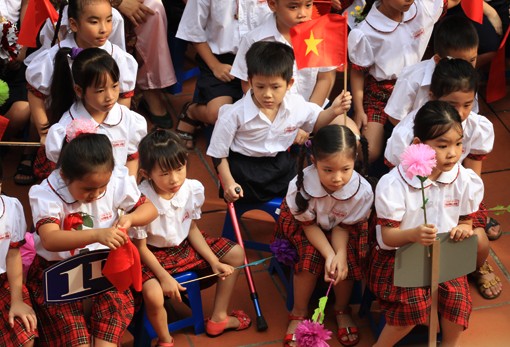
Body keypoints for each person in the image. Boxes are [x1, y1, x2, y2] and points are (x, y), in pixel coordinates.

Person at [26, 130, 158, 347]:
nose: (96, 194)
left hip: (106, 271)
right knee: (76, 342)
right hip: (59, 274)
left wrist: (131, 219)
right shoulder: (47, 192)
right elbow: (49, 239)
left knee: (107, 339)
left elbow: (150, 209)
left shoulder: (116, 179)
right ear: (65, 176)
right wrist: (96, 234)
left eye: (102, 187)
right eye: (87, 189)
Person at [385, 58, 502, 299]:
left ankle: (477, 267)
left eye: (468, 104)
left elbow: (471, 175)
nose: (460, 113)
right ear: (431, 96)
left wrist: (467, 217)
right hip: (418, 197)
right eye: (451, 104)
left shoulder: (478, 127)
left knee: (478, 240)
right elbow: (402, 182)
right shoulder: (408, 132)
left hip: (457, 192)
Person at [370, 100, 484, 347]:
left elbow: (467, 218)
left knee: (457, 300)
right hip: (401, 259)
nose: (453, 153)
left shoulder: (464, 179)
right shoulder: (395, 184)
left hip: (444, 256)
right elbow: (388, 236)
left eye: (458, 143)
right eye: (442, 146)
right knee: (413, 308)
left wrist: (464, 228)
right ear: (418, 145)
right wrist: (413, 235)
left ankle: (449, 344)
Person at [130, 129, 249, 347]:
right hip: (153, 256)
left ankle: (219, 317)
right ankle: (165, 340)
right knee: (153, 293)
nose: (174, 179)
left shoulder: (191, 189)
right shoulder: (140, 200)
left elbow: (191, 228)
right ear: (147, 173)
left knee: (236, 253)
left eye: (179, 169)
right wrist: (164, 277)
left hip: (184, 246)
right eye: (164, 174)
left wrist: (214, 261)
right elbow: (140, 247)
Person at [207, 41, 352, 203]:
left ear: (289, 83)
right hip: (245, 169)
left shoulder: (296, 104)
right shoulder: (233, 114)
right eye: (260, 87)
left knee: (302, 197)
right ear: (250, 81)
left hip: (280, 166)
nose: (267, 94)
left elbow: (316, 122)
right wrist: (229, 183)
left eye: (275, 87)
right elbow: (218, 153)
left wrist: (333, 111)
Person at [274, 124, 373, 347]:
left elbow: (343, 227)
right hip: (307, 228)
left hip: (343, 230)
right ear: (313, 161)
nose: (337, 178)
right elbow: (308, 226)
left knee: (344, 266)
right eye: (328, 170)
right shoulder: (300, 186)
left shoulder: (362, 191)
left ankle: (341, 309)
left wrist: (338, 255)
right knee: (308, 263)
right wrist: (328, 254)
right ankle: (298, 312)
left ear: (354, 160)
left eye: (345, 169)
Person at [25, 0, 138, 146]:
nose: (104, 29)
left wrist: (117, 127)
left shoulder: (119, 58)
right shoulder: (54, 57)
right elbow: (36, 94)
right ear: (73, 24)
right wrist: (45, 132)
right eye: (94, 22)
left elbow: (124, 98)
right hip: (63, 133)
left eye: (109, 20)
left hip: (104, 134)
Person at [348, 0, 444, 165]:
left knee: (430, 141)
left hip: (417, 88)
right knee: (368, 152)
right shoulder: (366, 31)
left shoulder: (422, 8)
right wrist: (359, 110)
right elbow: (358, 72)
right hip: (382, 93)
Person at [175, 0, 272, 149]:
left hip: (262, 59)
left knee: (266, 106)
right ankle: (192, 112)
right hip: (221, 60)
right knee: (218, 113)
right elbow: (193, 29)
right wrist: (215, 65)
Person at [44, 47, 147, 178]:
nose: (110, 96)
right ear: (79, 90)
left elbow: (131, 159)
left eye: (114, 86)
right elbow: (64, 174)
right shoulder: (67, 128)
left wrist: (128, 190)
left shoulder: (128, 119)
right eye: (100, 90)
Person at [231, 0, 337, 107]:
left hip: (313, 109)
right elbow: (246, 82)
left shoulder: (321, 36)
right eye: (293, 7)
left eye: (308, 5)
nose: (303, 14)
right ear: (272, 4)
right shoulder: (253, 39)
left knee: (347, 124)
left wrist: (311, 115)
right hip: (266, 112)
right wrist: (274, 115)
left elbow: (325, 78)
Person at [384, 15, 480, 125]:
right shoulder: (412, 78)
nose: (466, 68)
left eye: (472, 60)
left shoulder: (468, 79)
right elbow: (395, 118)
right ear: (438, 60)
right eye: (457, 62)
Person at [0, 164, 38, 347]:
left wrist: (17, 300)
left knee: (24, 331)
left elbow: (13, 255)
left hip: (4, 282)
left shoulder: (10, 208)